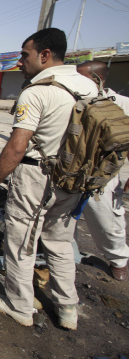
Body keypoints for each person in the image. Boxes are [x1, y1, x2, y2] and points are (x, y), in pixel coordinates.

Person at [0, 28, 98, 330]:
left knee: (21, 242)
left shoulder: (36, 91)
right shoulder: (89, 87)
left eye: (25, 55)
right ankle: (67, 309)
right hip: (74, 177)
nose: (21, 62)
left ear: (44, 55)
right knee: (60, 242)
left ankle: (20, 306)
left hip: (38, 177)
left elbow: (17, 146)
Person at [75, 61, 129, 282]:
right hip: (69, 171)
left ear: (98, 79)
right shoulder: (75, 100)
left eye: (82, 77)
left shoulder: (121, 104)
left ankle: (118, 260)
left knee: (105, 219)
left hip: (103, 174)